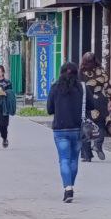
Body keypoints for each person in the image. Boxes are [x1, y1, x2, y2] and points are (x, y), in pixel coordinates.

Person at [47, 61, 84, 203]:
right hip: (77, 128)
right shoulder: (81, 88)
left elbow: (49, 109)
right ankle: (70, 187)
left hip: (60, 129)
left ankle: (68, 188)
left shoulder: (55, 88)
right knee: (74, 160)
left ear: (61, 73)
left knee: (64, 159)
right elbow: (91, 105)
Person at [78, 51, 111, 162]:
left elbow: (78, 87)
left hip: (86, 101)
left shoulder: (81, 72)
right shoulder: (102, 71)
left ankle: (86, 155)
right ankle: (98, 145)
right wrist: (110, 100)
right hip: (101, 100)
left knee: (85, 126)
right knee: (100, 124)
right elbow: (108, 87)